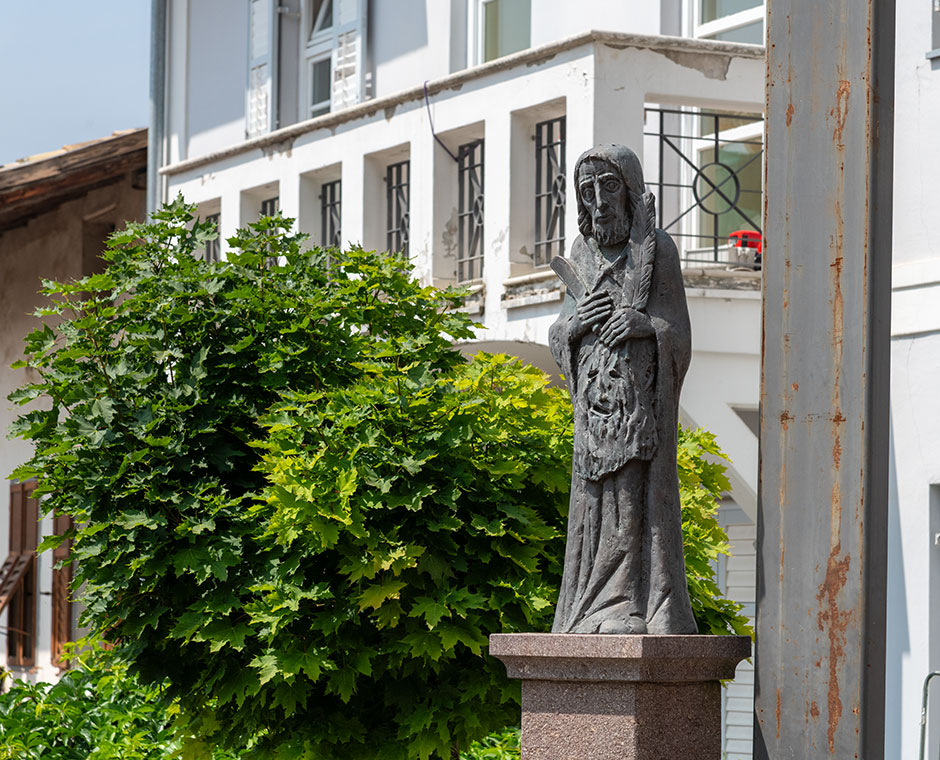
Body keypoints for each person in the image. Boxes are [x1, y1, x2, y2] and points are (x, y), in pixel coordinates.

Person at [548, 144, 697, 635]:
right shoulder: (581, 255)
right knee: (594, 508)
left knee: (634, 503)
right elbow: (560, 328)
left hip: (639, 412)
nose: (599, 201)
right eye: (588, 191)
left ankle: (628, 602)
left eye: (609, 187)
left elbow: (677, 331)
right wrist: (573, 329)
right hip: (593, 415)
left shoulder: (657, 250)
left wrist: (643, 325)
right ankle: (590, 606)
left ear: (629, 190)